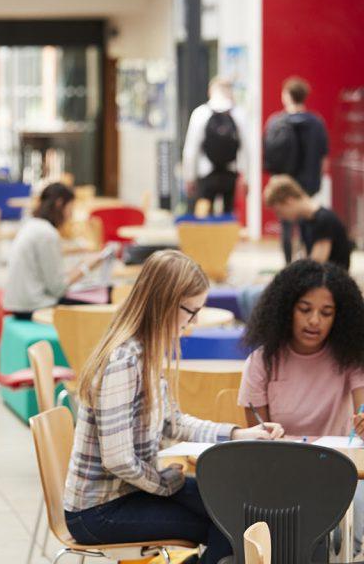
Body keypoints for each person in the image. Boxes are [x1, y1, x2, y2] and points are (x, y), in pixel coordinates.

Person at [63, 250, 283, 564]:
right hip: (98, 510)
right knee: (229, 522)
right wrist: (164, 484)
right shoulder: (124, 362)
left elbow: (172, 424)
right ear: (163, 303)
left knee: (233, 508)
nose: (193, 322)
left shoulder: (147, 352)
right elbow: (118, 459)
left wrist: (238, 432)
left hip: (128, 492)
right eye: (190, 312)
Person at [240, 259, 364, 554]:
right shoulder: (262, 362)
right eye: (305, 309)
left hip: (337, 475)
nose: (315, 321)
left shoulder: (350, 359)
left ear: (340, 317)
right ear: (286, 309)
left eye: (327, 312)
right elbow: (257, 438)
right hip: (280, 478)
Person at [3, 182, 107, 319]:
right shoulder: (47, 234)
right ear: (60, 204)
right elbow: (58, 288)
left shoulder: (32, 225)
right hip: (34, 306)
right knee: (103, 306)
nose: (71, 215)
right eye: (70, 208)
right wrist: (86, 267)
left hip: (19, 303)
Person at [264, 76, 330, 263]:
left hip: (284, 182)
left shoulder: (276, 121)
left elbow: (268, 154)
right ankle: (307, 261)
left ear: (286, 96)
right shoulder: (316, 123)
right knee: (307, 223)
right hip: (308, 182)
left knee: (285, 226)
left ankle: (287, 264)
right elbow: (324, 158)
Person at [181, 76, 247, 215]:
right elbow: (247, 148)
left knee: (204, 216)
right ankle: (227, 237)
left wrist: (189, 177)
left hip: (206, 173)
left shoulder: (201, 113)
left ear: (211, 91)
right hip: (231, 173)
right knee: (228, 216)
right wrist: (246, 177)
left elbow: (191, 149)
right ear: (229, 92)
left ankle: (206, 236)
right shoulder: (239, 114)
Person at [264, 174, 352, 270]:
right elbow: (306, 259)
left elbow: (316, 265)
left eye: (279, 211)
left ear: (289, 201)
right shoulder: (304, 220)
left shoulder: (324, 220)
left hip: (332, 281)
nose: (280, 216)